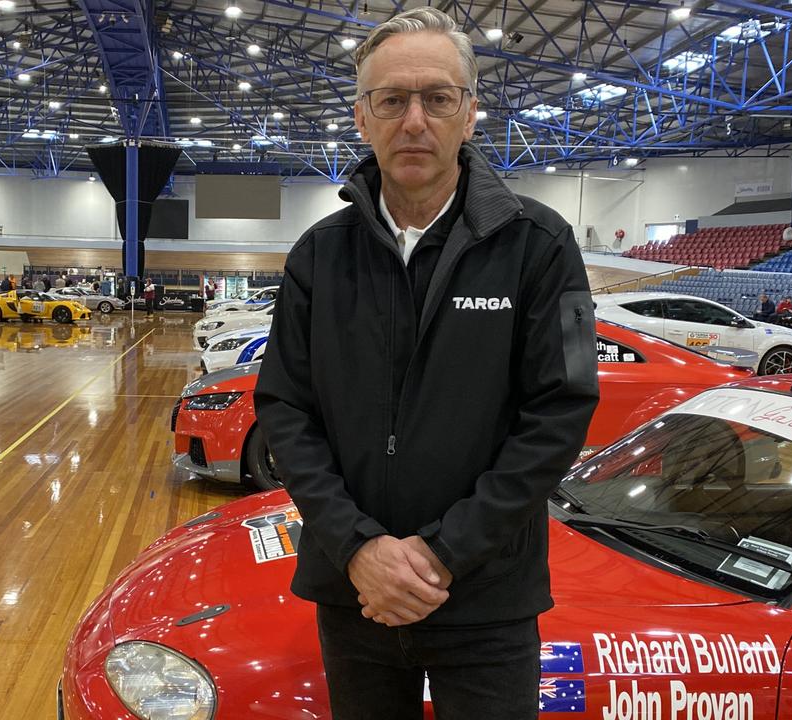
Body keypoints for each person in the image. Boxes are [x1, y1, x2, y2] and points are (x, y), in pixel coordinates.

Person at [253, 9, 600, 719]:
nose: (415, 120)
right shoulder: (318, 256)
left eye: (437, 98)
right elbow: (286, 410)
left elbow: (558, 415)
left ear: (469, 114)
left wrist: (442, 553)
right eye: (392, 100)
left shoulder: (538, 244)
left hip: (485, 600)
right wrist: (359, 550)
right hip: (356, 595)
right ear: (362, 116)